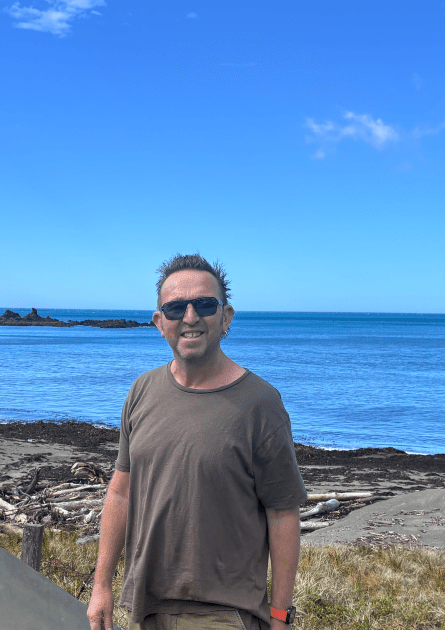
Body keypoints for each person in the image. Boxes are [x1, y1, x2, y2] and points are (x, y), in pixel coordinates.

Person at [88, 254, 307, 630]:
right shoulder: (142, 390)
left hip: (222, 613)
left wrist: (280, 616)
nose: (190, 317)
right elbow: (120, 493)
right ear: (159, 323)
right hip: (145, 607)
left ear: (226, 317)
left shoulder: (260, 403)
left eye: (205, 304)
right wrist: (101, 584)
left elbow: (283, 512)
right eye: (175, 308)